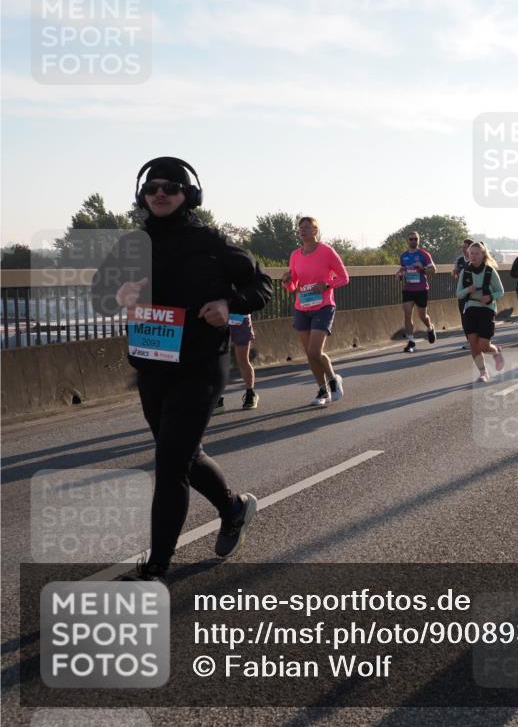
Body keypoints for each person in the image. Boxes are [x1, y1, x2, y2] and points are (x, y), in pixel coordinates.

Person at [91, 156, 272, 581]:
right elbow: (100, 293)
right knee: (184, 457)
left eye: (170, 187)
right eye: (153, 187)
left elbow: (261, 285)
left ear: (187, 195)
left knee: (170, 462)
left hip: (201, 365)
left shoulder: (211, 241)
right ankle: (233, 508)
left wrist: (230, 305)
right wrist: (119, 292)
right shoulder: (131, 245)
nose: (160, 193)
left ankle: (155, 568)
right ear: (142, 195)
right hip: (152, 365)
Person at [282, 216, 350, 407]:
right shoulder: (295, 255)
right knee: (309, 354)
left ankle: (333, 379)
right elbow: (294, 285)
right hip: (302, 307)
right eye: (300, 228)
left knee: (315, 350)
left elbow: (344, 278)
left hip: (323, 306)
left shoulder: (326, 251)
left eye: (307, 227)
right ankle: (322, 390)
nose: (303, 230)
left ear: (315, 231)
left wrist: (326, 284)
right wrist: (287, 282)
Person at [456, 242, 506, 382]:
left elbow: (500, 291)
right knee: (473, 343)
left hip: (487, 309)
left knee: (483, 345)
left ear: (483, 255)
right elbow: (459, 293)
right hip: (470, 308)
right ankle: (483, 372)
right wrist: (468, 290)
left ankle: (495, 351)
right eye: (471, 253)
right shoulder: (465, 272)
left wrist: (489, 297)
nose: (473, 256)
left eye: (477, 253)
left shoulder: (490, 271)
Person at [397, 232, 437, 352]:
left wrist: (423, 269)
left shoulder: (424, 254)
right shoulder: (403, 256)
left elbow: (433, 270)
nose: (413, 241)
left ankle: (430, 328)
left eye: (416, 239)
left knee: (422, 316)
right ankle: (411, 342)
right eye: (411, 239)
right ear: (407, 241)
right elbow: (403, 268)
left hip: (421, 289)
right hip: (408, 289)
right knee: (407, 314)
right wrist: (399, 273)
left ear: (418, 241)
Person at [223, 312, 259, 409]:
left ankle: (250, 393)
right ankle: (217, 398)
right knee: (218, 361)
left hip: (240, 319)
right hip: (220, 321)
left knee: (242, 360)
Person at [453, 238, 473, 349]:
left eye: (465, 247)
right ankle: (469, 340)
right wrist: (455, 272)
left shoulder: (475, 259)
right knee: (464, 317)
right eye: (463, 247)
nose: (463, 249)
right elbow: (454, 271)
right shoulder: (460, 260)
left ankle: (476, 338)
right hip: (462, 293)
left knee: (472, 316)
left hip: (474, 293)